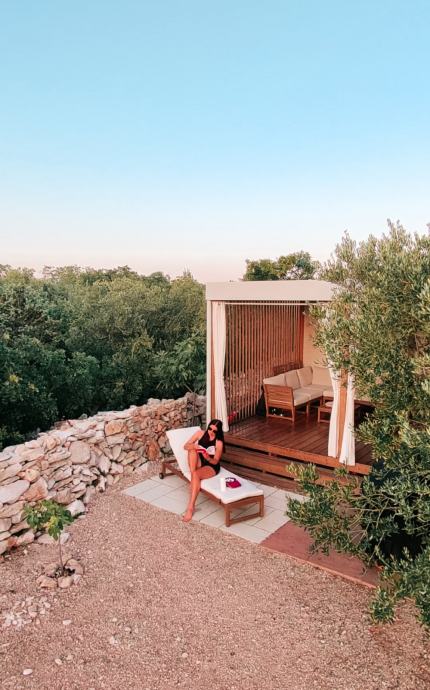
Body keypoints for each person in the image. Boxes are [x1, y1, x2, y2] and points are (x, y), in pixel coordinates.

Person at [182, 419, 224, 522]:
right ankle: (194, 477)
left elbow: (215, 461)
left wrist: (208, 457)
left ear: (218, 432)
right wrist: (194, 446)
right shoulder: (199, 433)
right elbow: (185, 446)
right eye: (210, 429)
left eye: (214, 431)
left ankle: (191, 507)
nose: (211, 432)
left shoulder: (219, 443)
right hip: (200, 462)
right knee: (192, 450)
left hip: (211, 466)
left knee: (196, 474)